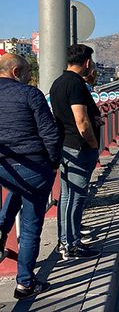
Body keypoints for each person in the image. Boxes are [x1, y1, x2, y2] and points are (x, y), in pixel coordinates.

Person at [0, 53, 61, 299]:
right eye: (26, 72)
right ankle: (25, 282)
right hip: (33, 166)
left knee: (16, 191)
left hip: (5, 167)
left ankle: (1, 230)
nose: (29, 77)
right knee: (31, 225)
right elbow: (50, 134)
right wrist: (54, 164)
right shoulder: (30, 94)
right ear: (16, 71)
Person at [50, 44, 101, 261]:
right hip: (79, 147)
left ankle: (65, 240)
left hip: (64, 146)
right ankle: (72, 245)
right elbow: (81, 121)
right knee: (76, 197)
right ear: (87, 62)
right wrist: (93, 144)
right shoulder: (75, 85)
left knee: (67, 196)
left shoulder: (58, 83)